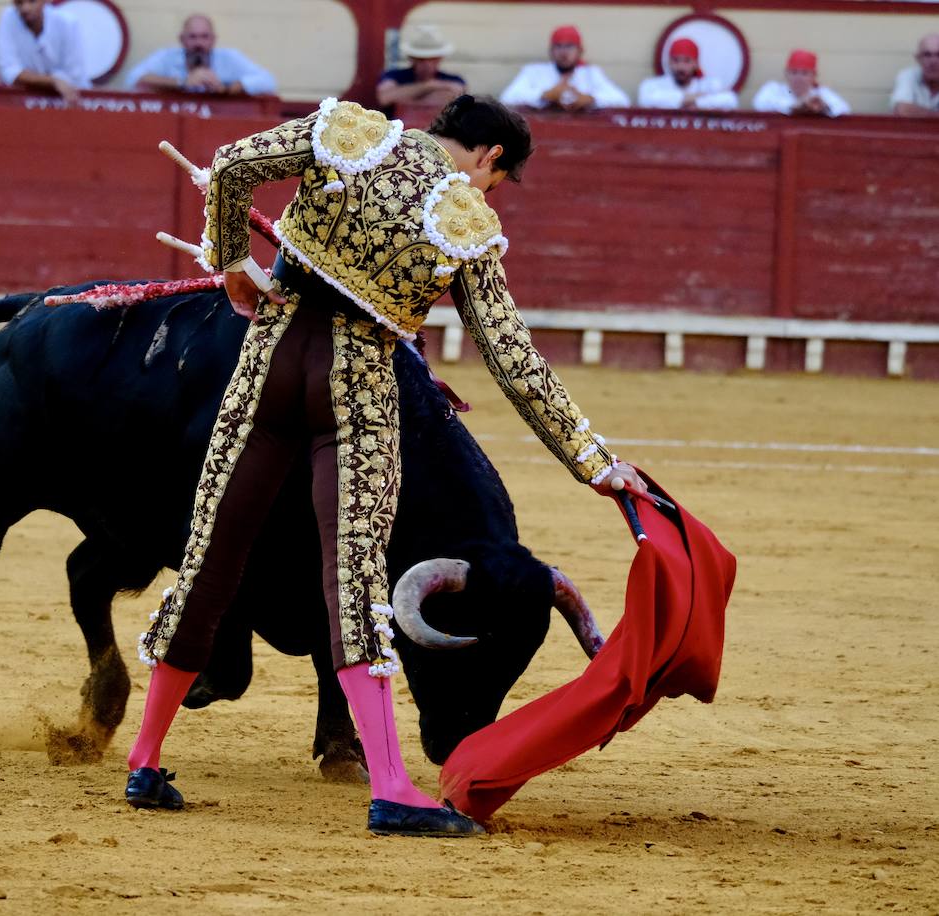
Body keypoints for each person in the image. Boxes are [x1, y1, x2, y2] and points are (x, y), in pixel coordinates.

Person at [125, 94, 646, 836]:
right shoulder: (464, 220)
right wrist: (593, 461)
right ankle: (392, 786)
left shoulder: (349, 130)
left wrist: (233, 261)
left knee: (210, 558)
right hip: (357, 387)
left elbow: (233, 166)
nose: (488, 192)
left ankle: (144, 762)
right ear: (490, 157)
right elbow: (512, 359)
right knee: (355, 580)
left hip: (267, 362)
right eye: (497, 180)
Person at [125, 14, 276, 96]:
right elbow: (133, 79)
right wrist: (182, 82)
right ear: (182, 39)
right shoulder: (167, 57)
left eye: (204, 37)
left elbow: (269, 81)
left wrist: (228, 88)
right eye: (193, 37)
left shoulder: (228, 58)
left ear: (213, 39)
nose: (199, 43)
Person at [499, 25, 628, 111]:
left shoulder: (591, 73)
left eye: (569, 46)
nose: (564, 52)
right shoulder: (534, 71)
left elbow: (622, 101)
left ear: (580, 51)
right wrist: (544, 95)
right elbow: (507, 98)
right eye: (559, 46)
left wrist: (590, 99)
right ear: (551, 51)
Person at [0, 0, 90, 104]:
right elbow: (8, 71)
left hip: (70, 100)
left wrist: (34, 79)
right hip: (25, 98)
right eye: (19, 3)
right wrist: (52, 81)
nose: (25, 8)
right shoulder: (8, 17)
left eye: (32, 1)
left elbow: (74, 76)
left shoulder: (67, 23)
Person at [374, 24, 466, 117]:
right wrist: (430, 86)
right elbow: (384, 98)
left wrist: (406, 94)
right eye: (421, 59)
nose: (427, 64)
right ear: (412, 59)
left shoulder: (454, 79)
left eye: (432, 59)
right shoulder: (392, 76)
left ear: (439, 59)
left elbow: (458, 96)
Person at [637, 37, 735, 110]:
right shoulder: (653, 85)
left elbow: (730, 100)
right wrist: (695, 97)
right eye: (676, 61)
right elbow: (645, 99)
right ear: (669, 63)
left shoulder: (709, 84)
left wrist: (697, 104)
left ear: (696, 64)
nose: (681, 67)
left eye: (686, 61)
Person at [752, 49, 849, 117]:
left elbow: (844, 109)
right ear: (786, 74)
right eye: (794, 72)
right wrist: (795, 106)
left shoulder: (822, 93)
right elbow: (759, 103)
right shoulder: (774, 88)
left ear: (814, 76)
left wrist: (824, 107)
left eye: (804, 73)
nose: (798, 77)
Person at [890, 33, 939, 117]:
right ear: (918, 59)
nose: (933, 61)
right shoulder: (908, 76)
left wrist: (915, 111)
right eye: (927, 55)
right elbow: (900, 109)